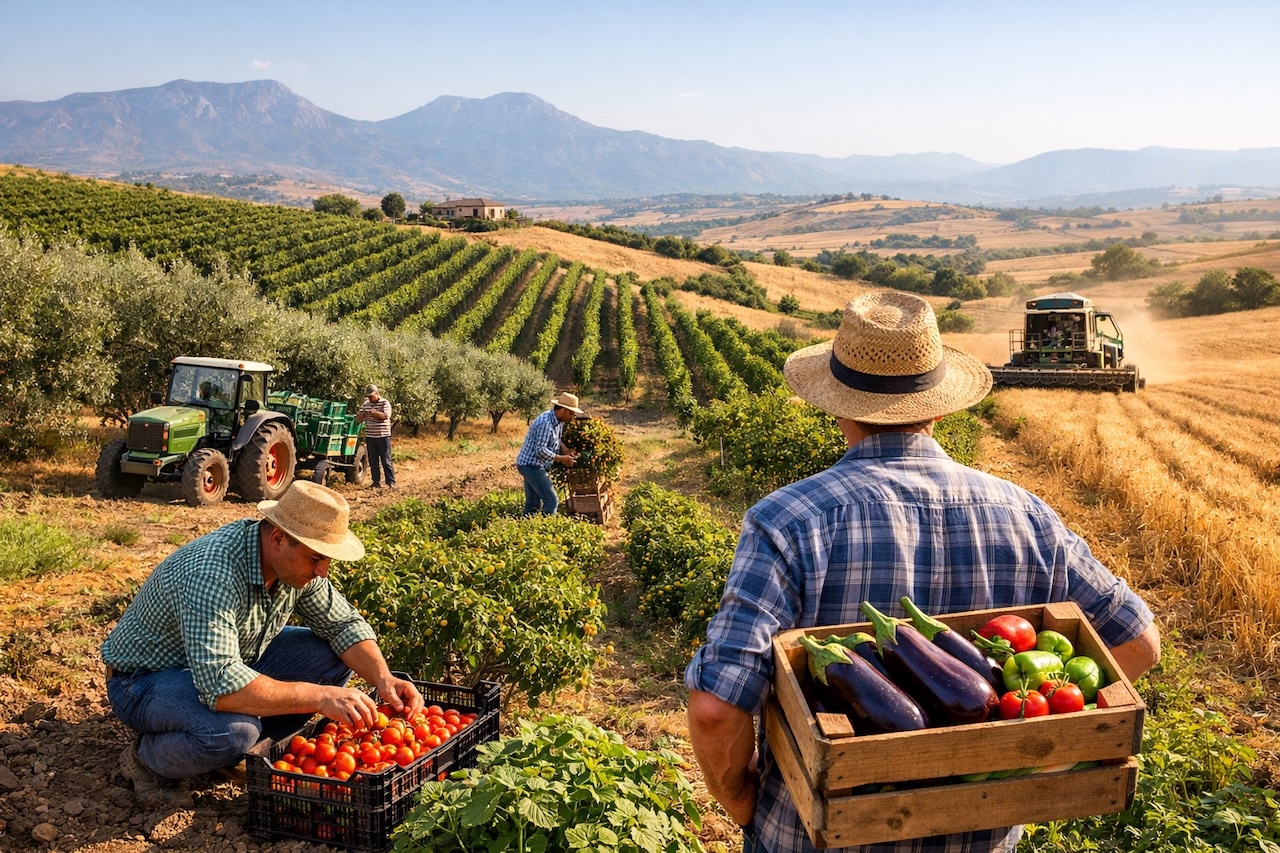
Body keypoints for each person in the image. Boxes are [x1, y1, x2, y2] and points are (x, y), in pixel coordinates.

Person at [684, 291, 1160, 853]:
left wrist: (742, 802)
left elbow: (716, 710)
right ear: (940, 405)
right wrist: (1015, 755)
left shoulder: (786, 522)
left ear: (838, 406)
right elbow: (1140, 642)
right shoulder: (1024, 515)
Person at [101, 480, 423, 806]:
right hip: (143, 681)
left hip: (225, 662)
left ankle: (233, 751)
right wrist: (321, 697)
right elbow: (221, 684)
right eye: (316, 559)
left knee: (331, 654)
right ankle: (147, 762)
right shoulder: (213, 572)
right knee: (235, 732)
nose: (323, 572)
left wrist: (384, 679)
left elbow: (343, 625)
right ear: (279, 538)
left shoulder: (292, 565)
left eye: (326, 560)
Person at [515, 391, 583, 516]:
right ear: (562, 409)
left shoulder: (558, 422)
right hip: (531, 465)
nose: (572, 416)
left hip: (533, 464)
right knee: (552, 500)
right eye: (571, 413)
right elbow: (540, 450)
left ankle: (527, 529)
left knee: (533, 503)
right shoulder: (545, 423)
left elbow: (555, 440)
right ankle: (545, 530)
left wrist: (564, 449)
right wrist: (562, 459)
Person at [356, 384, 395, 490]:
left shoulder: (385, 403)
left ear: (377, 394)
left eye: (371, 396)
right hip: (371, 437)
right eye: (368, 396)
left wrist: (375, 413)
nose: (370, 398)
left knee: (386, 460)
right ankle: (376, 482)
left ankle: (391, 482)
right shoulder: (366, 404)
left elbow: (385, 416)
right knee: (373, 461)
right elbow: (359, 420)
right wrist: (360, 416)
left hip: (383, 437)